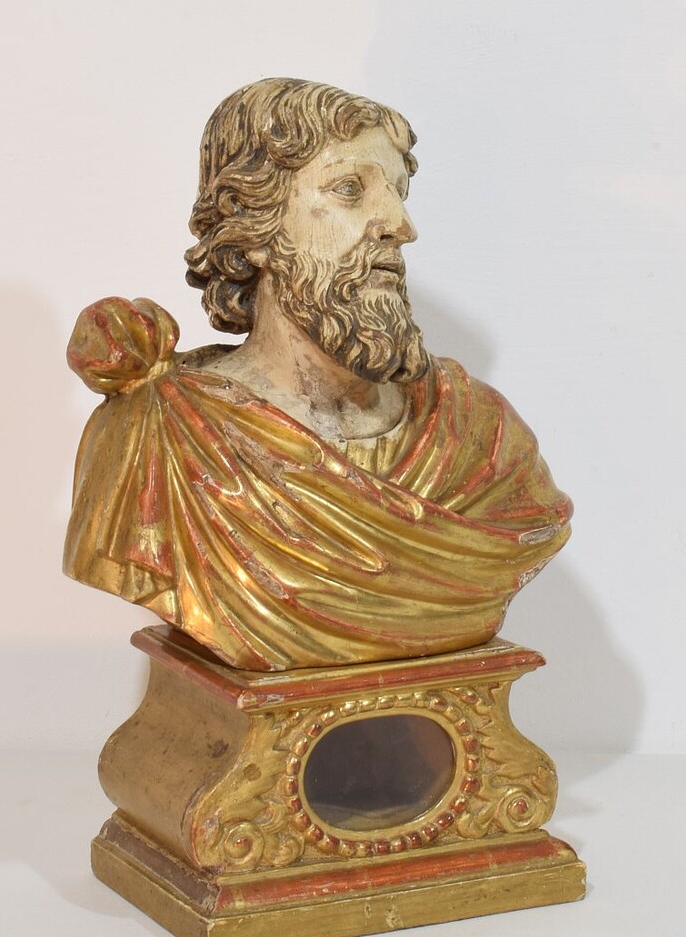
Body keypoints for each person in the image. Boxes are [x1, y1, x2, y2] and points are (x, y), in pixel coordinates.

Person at [64, 78, 572, 671]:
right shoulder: (162, 438)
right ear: (252, 224)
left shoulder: (480, 439)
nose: (400, 225)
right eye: (350, 189)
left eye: (399, 194)